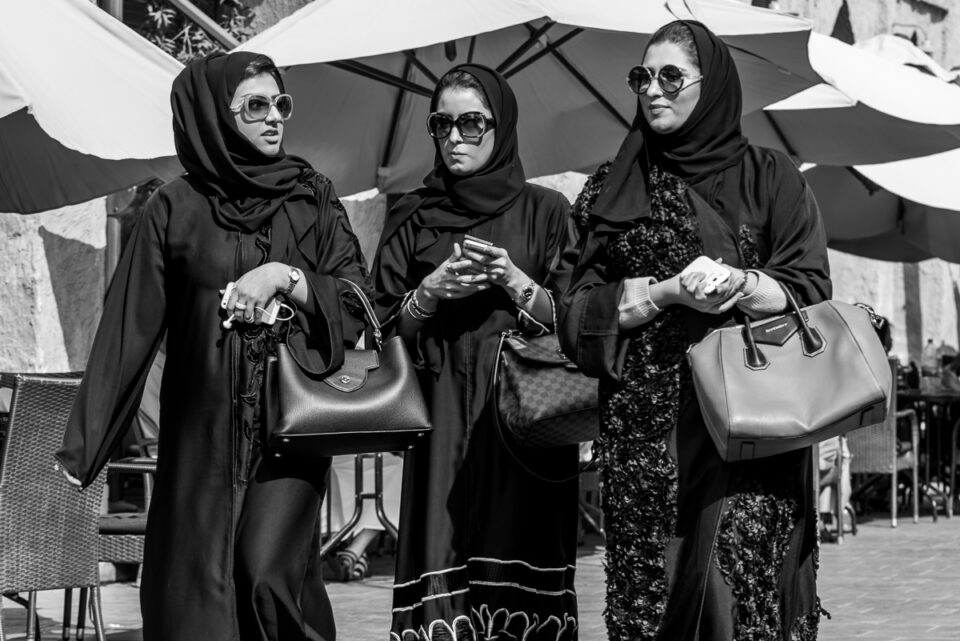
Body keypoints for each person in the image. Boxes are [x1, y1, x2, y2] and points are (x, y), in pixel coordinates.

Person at [55, 52, 370, 641]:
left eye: (281, 103)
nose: (275, 117)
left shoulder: (312, 198)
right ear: (213, 117)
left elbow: (359, 302)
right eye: (256, 105)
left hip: (290, 429)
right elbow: (129, 327)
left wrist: (287, 276)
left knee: (268, 576)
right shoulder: (174, 208)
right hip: (201, 435)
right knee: (195, 595)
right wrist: (84, 449)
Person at [558, 21, 831, 641]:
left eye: (670, 76)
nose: (653, 91)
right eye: (641, 77)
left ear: (711, 86)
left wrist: (739, 283)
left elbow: (810, 289)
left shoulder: (771, 177)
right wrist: (664, 292)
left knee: (731, 596)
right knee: (657, 603)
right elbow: (574, 312)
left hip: (752, 424)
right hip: (645, 440)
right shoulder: (610, 189)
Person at [374, 64, 580, 641]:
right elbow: (375, 329)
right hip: (438, 420)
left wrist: (516, 281)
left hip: (526, 421)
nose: (455, 137)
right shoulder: (411, 215)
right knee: (442, 567)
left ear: (501, 126)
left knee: (523, 560)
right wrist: (428, 294)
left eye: (471, 123)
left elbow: (574, 322)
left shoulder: (548, 212)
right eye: (442, 124)